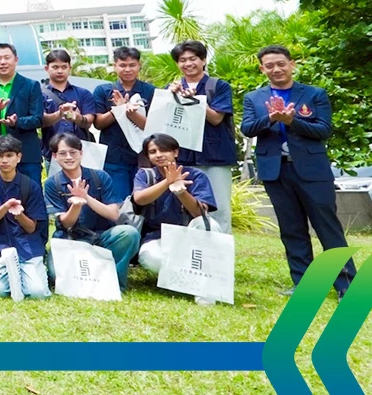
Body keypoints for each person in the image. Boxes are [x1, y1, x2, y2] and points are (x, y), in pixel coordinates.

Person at [241, 45, 356, 298]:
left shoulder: (314, 94)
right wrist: (272, 118)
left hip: (312, 170)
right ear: (262, 69)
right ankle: (304, 284)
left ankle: (346, 285)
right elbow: (247, 128)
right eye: (269, 65)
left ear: (292, 64)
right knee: (291, 229)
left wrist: (292, 121)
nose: (276, 69)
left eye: (281, 63)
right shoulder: (254, 98)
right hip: (275, 171)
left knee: (328, 227)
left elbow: (323, 130)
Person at [43, 134, 140, 291]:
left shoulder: (100, 177)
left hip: (102, 236)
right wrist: (76, 206)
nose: (68, 157)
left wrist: (86, 198)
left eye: (73, 152)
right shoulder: (52, 183)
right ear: (54, 156)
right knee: (55, 274)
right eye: (62, 153)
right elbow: (66, 223)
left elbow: (113, 214)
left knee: (128, 233)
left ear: (81, 153)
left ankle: (114, 282)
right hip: (71, 239)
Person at [131, 133, 219, 301]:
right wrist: (168, 182)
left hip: (189, 236)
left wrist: (181, 192)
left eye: (164, 150)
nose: (158, 155)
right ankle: (192, 279)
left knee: (210, 225)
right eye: (153, 151)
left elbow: (200, 213)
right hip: (156, 237)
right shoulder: (145, 175)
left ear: (175, 152)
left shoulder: (195, 176)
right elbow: (139, 199)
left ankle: (205, 295)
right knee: (151, 259)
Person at [167, 40, 240, 234]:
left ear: (203, 60)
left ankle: (221, 249)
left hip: (215, 155)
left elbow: (216, 118)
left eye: (193, 59)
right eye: (182, 60)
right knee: (186, 208)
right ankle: (193, 249)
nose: (188, 64)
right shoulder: (172, 88)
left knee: (219, 208)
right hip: (184, 156)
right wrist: (170, 97)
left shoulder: (218, 86)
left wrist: (195, 101)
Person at [0, 135, 50, 300]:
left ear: (18, 157)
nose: (4, 160)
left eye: (9, 155)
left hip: (28, 245)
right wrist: (6, 207)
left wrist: (19, 214)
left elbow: (31, 227)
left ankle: (31, 271)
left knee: (37, 293)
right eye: (0, 156)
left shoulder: (30, 185)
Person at [91, 47, 155, 204]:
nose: (127, 69)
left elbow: (152, 127)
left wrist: (130, 112)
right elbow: (98, 123)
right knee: (119, 202)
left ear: (139, 65)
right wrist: (118, 109)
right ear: (115, 66)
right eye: (123, 65)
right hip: (113, 156)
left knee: (144, 202)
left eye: (132, 65)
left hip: (142, 156)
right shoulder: (103, 90)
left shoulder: (150, 91)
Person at [0, 44, 45, 186]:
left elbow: (38, 119)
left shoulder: (31, 85)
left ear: (16, 60)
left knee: (31, 194)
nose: (3, 62)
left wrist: (16, 122)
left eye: (7, 58)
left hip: (26, 154)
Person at [39, 49, 97, 158]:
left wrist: (77, 117)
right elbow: (40, 121)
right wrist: (59, 114)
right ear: (47, 68)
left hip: (81, 152)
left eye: (64, 67)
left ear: (70, 68)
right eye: (55, 67)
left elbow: (89, 121)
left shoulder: (83, 93)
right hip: (53, 153)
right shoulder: (39, 95)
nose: (60, 71)